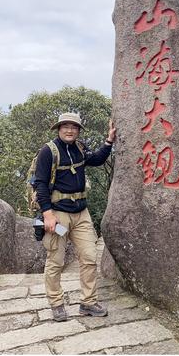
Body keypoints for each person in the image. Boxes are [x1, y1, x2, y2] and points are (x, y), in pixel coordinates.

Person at [34, 112, 116, 321]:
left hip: (81, 214)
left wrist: (108, 141)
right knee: (56, 260)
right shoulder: (48, 151)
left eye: (74, 127)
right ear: (58, 129)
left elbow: (96, 160)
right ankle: (56, 303)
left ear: (78, 131)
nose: (70, 130)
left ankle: (88, 302)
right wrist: (47, 214)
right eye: (65, 126)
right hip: (58, 215)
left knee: (89, 257)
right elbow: (40, 184)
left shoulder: (79, 148)